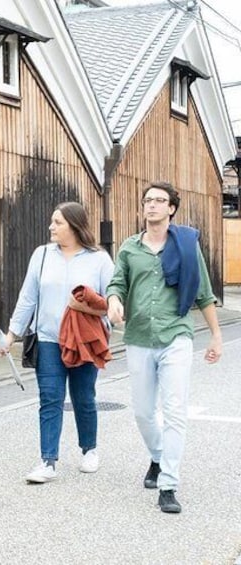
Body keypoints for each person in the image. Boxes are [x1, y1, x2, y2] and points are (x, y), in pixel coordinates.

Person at [106, 181, 222, 514]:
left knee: (174, 411)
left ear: (171, 208)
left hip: (176, 335)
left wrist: (215, 336)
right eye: (148, 200)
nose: (152, 205)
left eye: (160, 200)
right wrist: (114, 301)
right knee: (143, 411)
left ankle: (168, 484)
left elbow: (203, 293)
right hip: (140, 336)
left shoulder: (186, 245)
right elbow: (117, 283)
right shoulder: (130, 248)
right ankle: (157, 458)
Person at [0, 202, 114, 484]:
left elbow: (112, 301)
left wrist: (99, 315)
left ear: (75, 226)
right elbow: (28, 297)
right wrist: (12, 335)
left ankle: (89, 449)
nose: (51, 227)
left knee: (83, 396)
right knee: (49, 398)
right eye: (52, 221)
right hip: (49, 339)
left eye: (58, 222)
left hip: (84, 340)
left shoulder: (98, 259)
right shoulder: (41, 255)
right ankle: (47, 460)